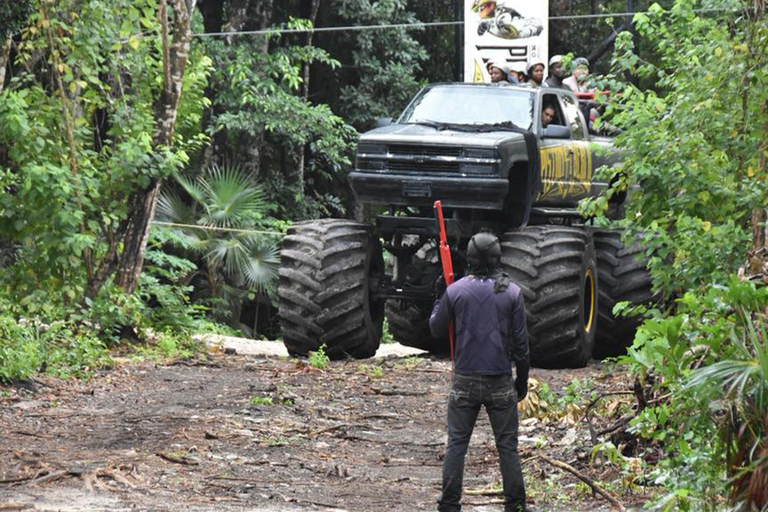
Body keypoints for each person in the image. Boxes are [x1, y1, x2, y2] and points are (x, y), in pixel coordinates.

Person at [430, 231, 531, 512]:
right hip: (500, 381)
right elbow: (522, 346)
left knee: (457, 445)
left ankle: (449, 505)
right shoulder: (512, 292)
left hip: (464, 381)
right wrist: (520, 382)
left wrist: (440, 295)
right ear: (499, 259)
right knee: (507, 447)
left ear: (469, 259)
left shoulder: (456, 290)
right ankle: (516, 506)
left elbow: (435, 328)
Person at [472, 0, 544, 40]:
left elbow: (507, 15)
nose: (480, 11)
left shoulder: (504, 10)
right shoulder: (485, 21)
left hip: (527, 26)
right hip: (505, 38)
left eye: (482, 8)